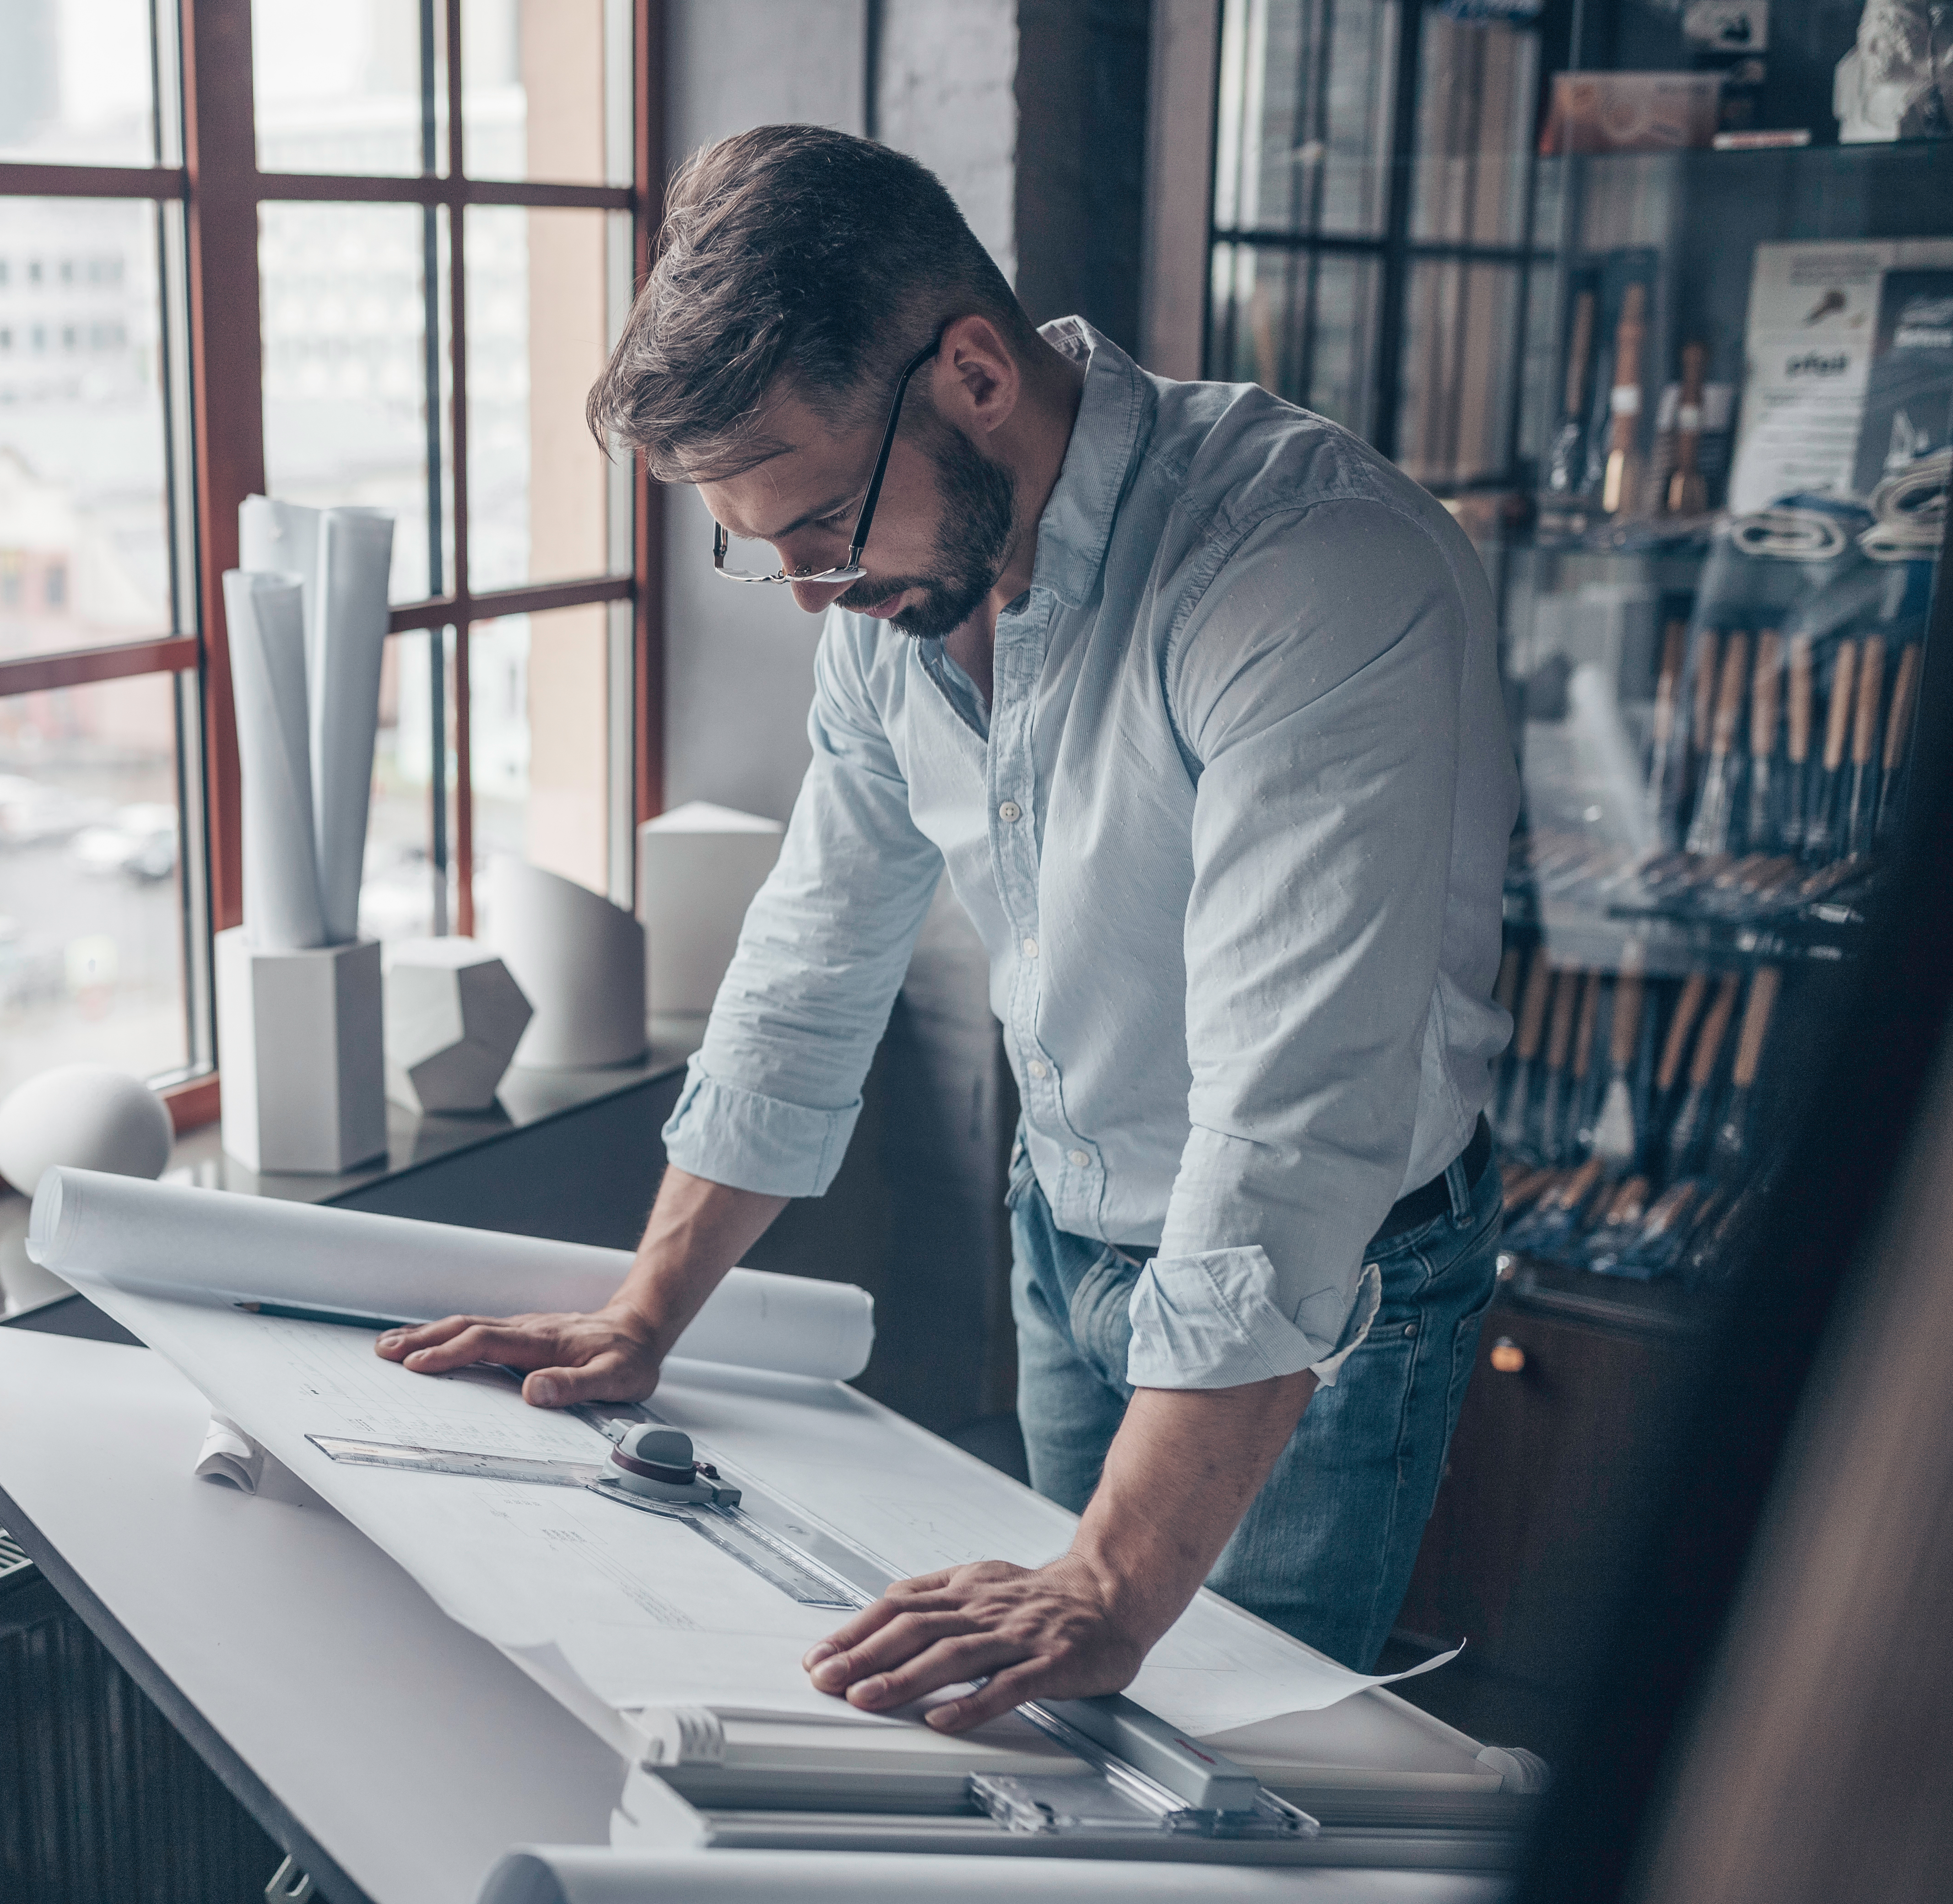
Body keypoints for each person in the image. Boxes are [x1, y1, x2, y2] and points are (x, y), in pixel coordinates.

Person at [375, 124, 1516, 1733]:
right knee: (1059, 1737)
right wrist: (646, 1310)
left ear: (974, 374)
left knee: (1223, 1770)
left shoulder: (1311, 572)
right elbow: (811, 960)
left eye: (819, 525)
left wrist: (1113, 1577)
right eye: (760, 546)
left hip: (1328, 1282)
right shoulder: (892, 591)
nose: (804, 590)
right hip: (1069, 1223)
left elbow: (1293, 1125)